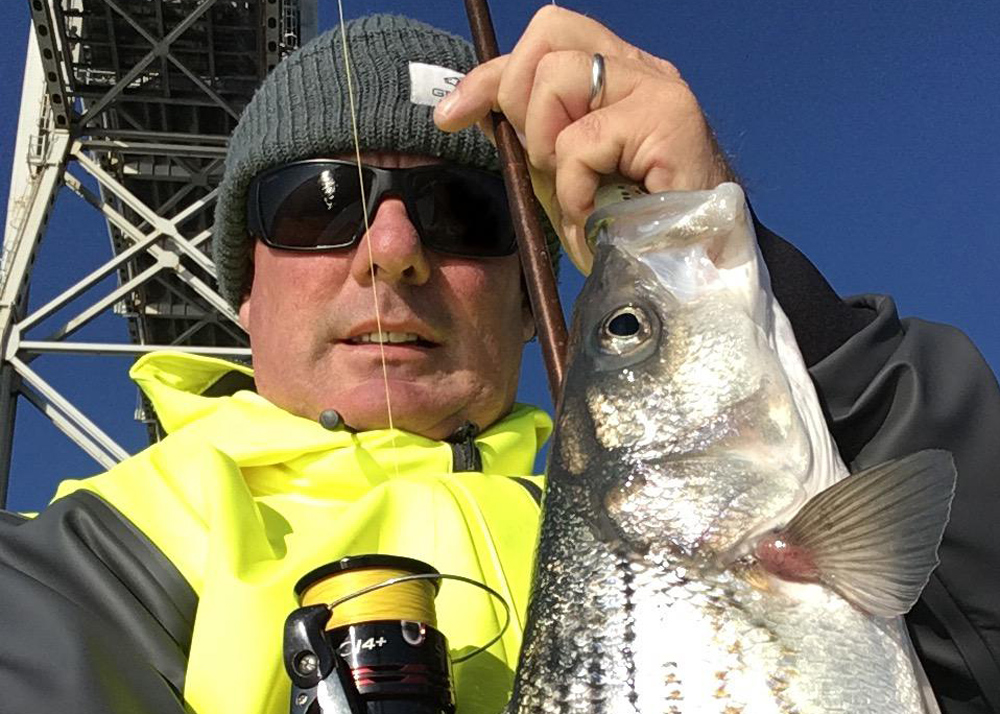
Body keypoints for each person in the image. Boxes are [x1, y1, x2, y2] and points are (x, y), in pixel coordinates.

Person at [0, 8, 997, 714]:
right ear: (244, 289)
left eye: (462, 215)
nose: (391, 249)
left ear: (530, 302)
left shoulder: (730, 461)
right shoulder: (75, 565)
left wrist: (755, 289)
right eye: (315, 207)